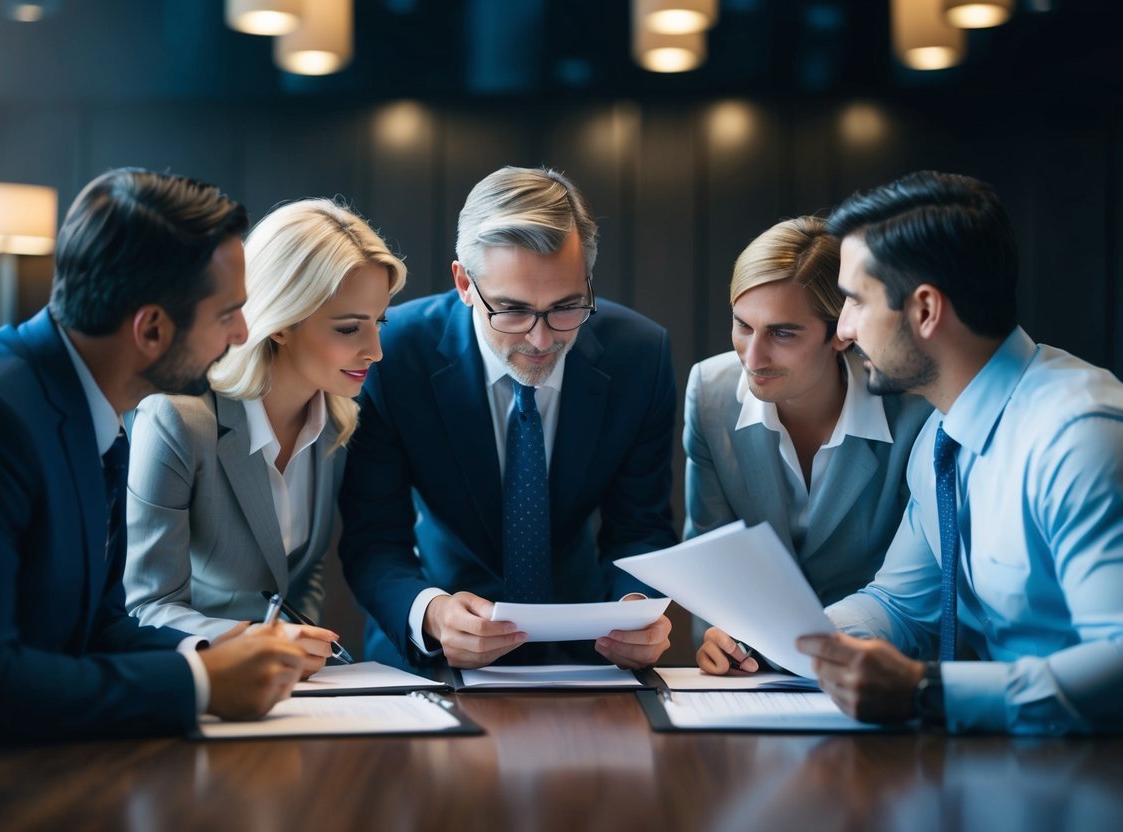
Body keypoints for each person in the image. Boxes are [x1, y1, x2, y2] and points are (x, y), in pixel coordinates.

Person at [0, 168, 310, 760]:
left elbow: (94, 629)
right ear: (151, 328)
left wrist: (209, 657)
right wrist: (202, 685)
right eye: (227, 313)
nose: (244, 332)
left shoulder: (94, 408)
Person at [793, 171, 1123, 734]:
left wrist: (928, 691)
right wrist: (788, 636)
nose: (842, 330)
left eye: (853, 301)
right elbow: (901, 604)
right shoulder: (941, 439)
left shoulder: (1079, 435)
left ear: (925, 310)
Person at [338, 165, 677, 670]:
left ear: (588, 280)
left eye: (566, 307)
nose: (542, 340)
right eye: (512, 311)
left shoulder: (639, 355)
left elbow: (641, 528)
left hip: (589, 656)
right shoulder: (396, 356)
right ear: (464, 283)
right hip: (434, 657)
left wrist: (635, 608)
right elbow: (373, 539)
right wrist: (430, 614)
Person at [124, 199, 406, 650]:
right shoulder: (177, 418)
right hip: (196, 682)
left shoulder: (338, 422)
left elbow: (298, 577)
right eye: (350, 329)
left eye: (379, 322)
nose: (376, 350)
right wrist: (264, 642)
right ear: (281, 323)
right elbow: (147, 608)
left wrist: (302, 654)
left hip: (287, 690)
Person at [689, 217, 931, 675]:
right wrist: (722, 637)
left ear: (841, 331)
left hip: (880, 671)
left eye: (782, 333)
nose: (753, 358)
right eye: (743, 326)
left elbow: (918, 592)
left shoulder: (913, 412)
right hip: (751, 676)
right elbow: (710, 553)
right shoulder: (711, 391)